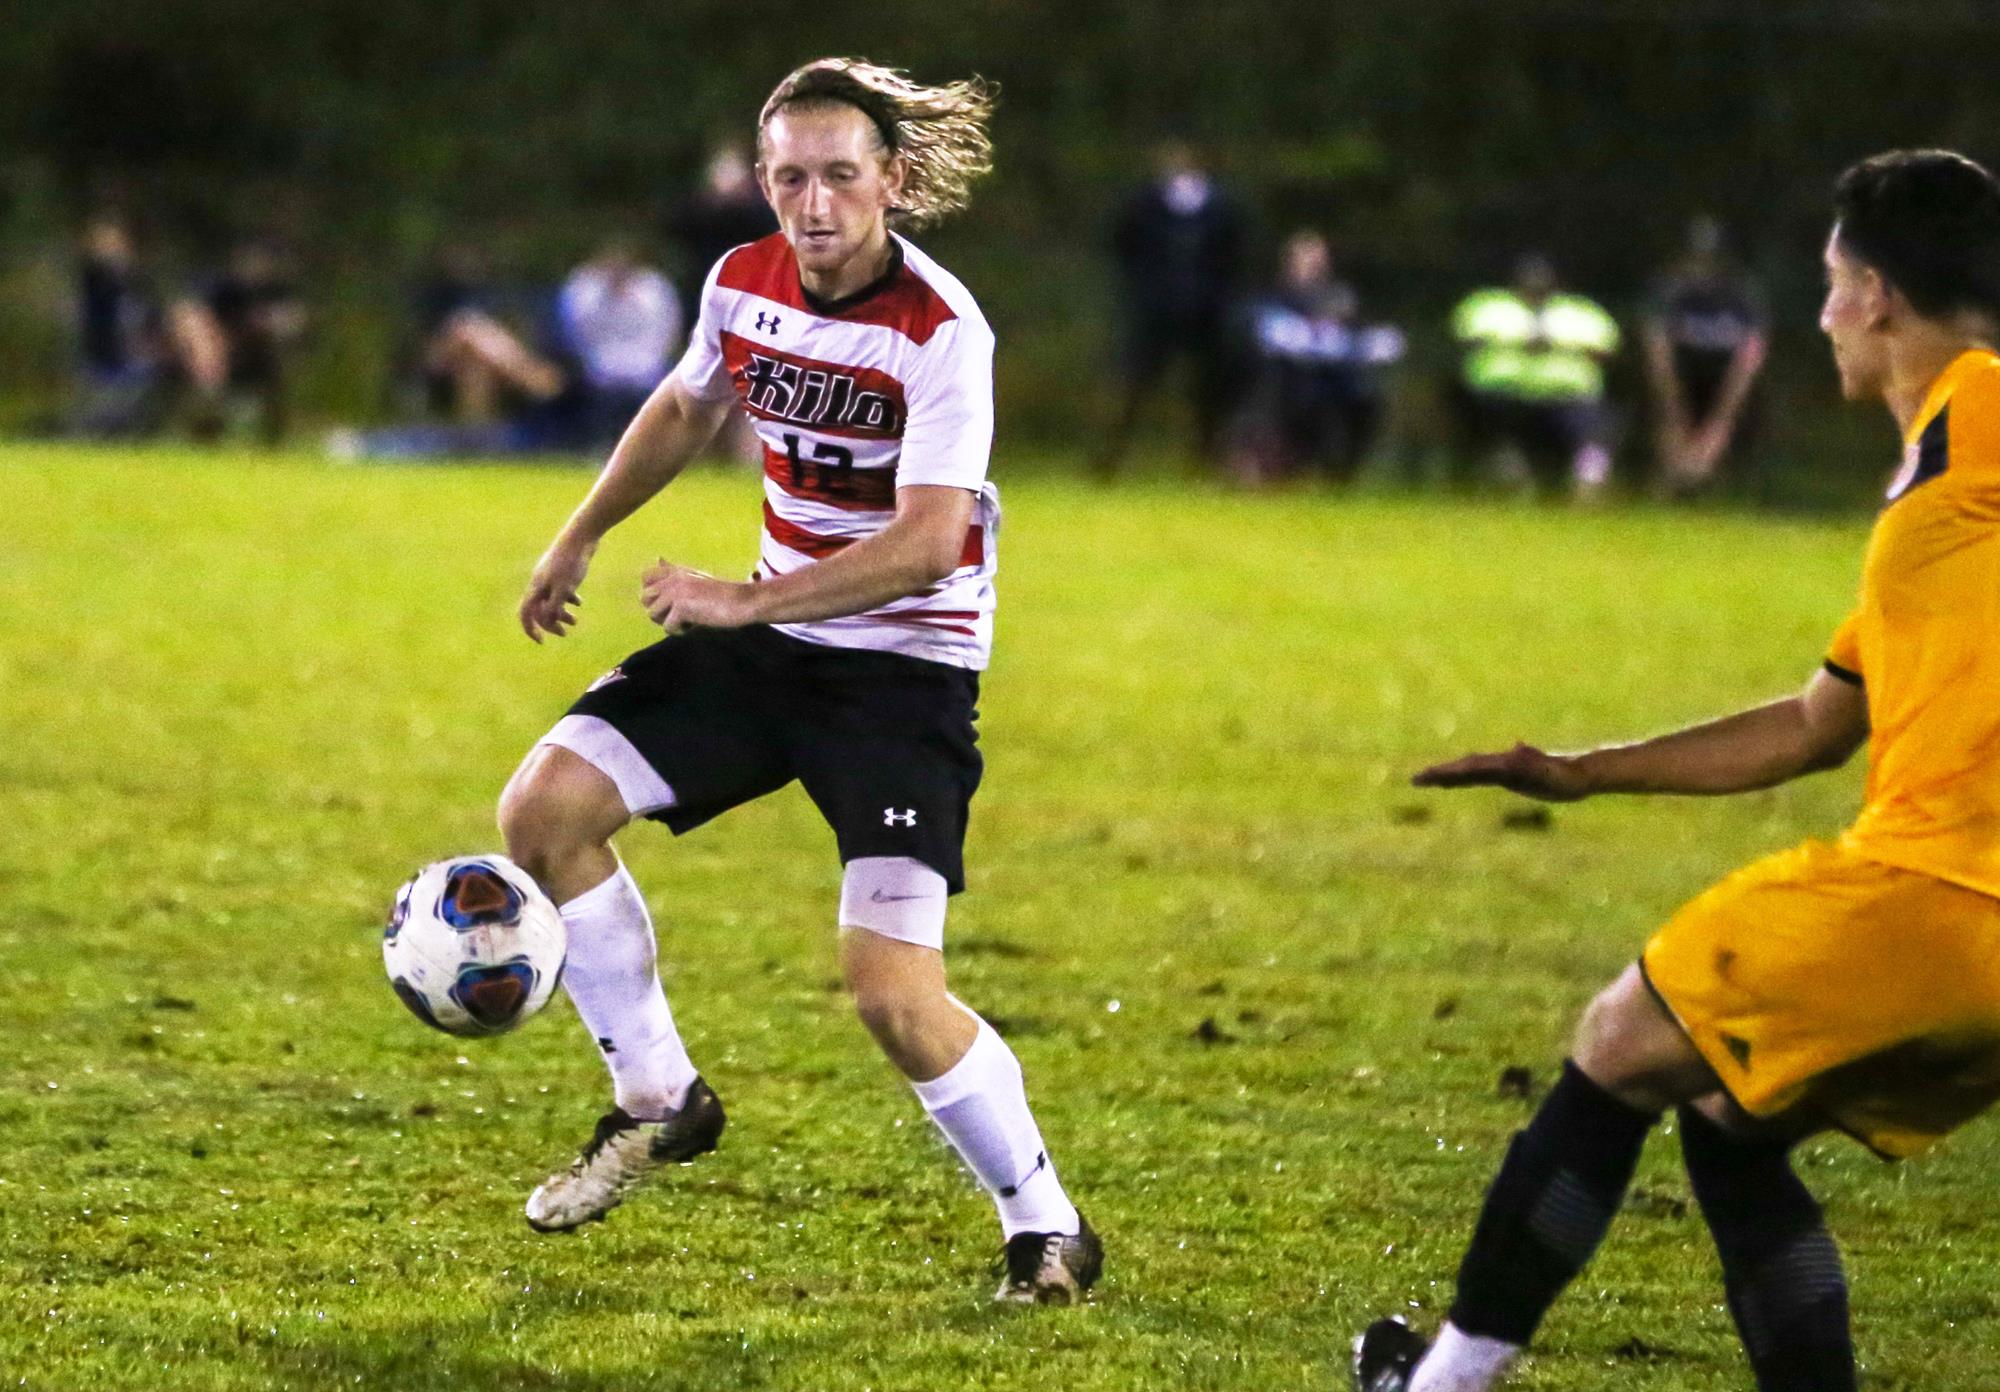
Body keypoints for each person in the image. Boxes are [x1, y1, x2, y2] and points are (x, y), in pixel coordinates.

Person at [1354, 149, 2000, 1392]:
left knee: (1615, 1040)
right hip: (1967, 931)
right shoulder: (1931, 513)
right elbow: (1814, 724)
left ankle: (1441, 1385)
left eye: (1825, 286)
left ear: (1871, 293)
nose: (1817, 318)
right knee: (1728, 1120)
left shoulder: (1978, 406)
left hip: (1936, 893)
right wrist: (1583, 773)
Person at [499, 57, 1102, 1305]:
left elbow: (931, 542)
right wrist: (581, 532)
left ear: (891, 180)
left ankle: (1046, 1228)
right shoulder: (740, 282)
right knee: (544, 812)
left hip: (903, 675)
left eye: (838, 176)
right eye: (788, 178)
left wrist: (744, 599)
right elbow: (682, 404)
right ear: (760, 180)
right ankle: (658, 1098)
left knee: (890, 993)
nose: (812, 204)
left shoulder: (941, 331)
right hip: (769, 650)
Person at [1093, 139, 1247, 477]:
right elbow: (1124, 245)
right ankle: (1110, 459)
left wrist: (1219, 295)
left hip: (1206, 311)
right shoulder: (1145, 203)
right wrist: (1142, 287)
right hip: (1155, 311)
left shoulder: (1221, 207)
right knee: (1136, 385)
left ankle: (1205, 459)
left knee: (1208, 389)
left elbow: (1234, 255)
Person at [1226, 230, 1403, 485]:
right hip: (1285, 374)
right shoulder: (1268, 295)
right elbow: (1255, 330)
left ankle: (1342, 471)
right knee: (1295, 399)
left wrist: (1372, 344)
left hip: (1335, 373)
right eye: (1305, 257)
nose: (1312, 264)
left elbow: (1355, 334)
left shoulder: (1339, 295)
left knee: (1365, 399)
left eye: (1317, 258)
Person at [1449, 255, 1620, 498]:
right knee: (1485, 421)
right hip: (1503, 395)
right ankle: (1510, 479)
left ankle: (1588, 483)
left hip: (1567, 397)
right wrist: (1519, 343)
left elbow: (1605, 351)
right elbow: (1467, 340)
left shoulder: (1580, 312)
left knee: (1596, 428)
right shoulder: (1490, 305)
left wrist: (1557, 345)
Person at [1643, 216, 1769, 498]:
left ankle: (1709, 480)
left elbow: (1751, 355)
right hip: (1683, 378)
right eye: (1697, 258)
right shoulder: (1671, 291)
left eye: (1710, 260)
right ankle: (1676, 480)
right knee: (1669, 419)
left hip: (1724, 383)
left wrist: (1722, 419)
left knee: (1734, 419)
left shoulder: (1741, 294)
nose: (1703, 268)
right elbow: (1658, 350)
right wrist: (1674, 409)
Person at [553, 239, 683, 448]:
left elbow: (669, 330)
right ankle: (598, 446)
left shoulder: (655, 289)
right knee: (600, 397)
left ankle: (653, 449)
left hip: (646, 370)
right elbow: (575, 332)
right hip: (598, 371)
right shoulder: (584, 287)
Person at [70, 216, 168, 438]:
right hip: (103, 357)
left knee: (152, 377)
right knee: (116, 397)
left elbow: (152, 316)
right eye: (106, 244)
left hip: (134, 356)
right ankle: (101, 429)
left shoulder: (136, 283)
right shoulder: (94, 279)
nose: (114, 250)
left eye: (117, 244)